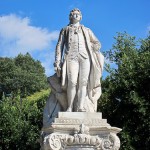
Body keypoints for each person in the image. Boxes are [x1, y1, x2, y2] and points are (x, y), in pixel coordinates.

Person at [54, 8, 104, 112]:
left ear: (81, 17)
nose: (76, 16)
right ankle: (70, 107)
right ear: (70, 17)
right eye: (73, 14)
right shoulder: (65, 29)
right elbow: (59, 46)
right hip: (71, 57)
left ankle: (80, 106)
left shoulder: (87, 30)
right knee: (72, 82)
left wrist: (92, 46)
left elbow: (97, 44)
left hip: (85, 57)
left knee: (83, 82)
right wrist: (57, 61)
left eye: (78, 14)